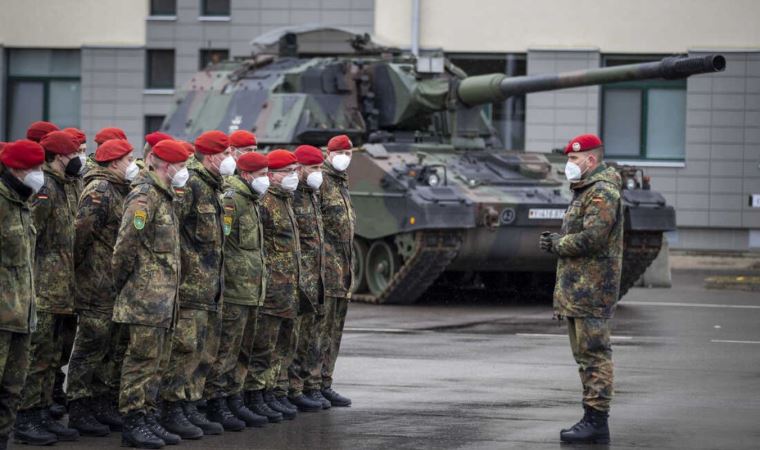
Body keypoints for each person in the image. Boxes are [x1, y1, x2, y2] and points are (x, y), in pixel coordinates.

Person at [539, 133, 623, 445]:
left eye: (573, 159)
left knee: (594, 354)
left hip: (593, 288)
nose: (568, 165)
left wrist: (557, 244)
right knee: (584, 356)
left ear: (590, 159)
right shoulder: (585, 190)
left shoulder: (602, 192)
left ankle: (597, 421)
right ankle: (590, 417)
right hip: (580, 289)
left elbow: (594, 237)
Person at [112, 139, 190, 448]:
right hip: (144, 298)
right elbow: (124, 248)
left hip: (163, 299)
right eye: (182, 166)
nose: (185, 171)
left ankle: (146, 416)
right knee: (141, 361)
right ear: (168, 166)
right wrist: (125, 287)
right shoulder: (144, 197)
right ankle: (133, 420)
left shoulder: (164, 195)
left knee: (157, 362)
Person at [160, 130, 235, 436]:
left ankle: (191, 405)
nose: (230, 159)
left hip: (210, 287)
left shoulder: (214, 187)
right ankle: (172, 408)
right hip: (190, 287)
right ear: (211, 156)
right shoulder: (190, 184)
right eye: (226, 153)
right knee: (184, 350)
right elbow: (172, 231)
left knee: (204, 351)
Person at [66, 139, 139, 437]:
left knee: (109, 347)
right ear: (113, 163)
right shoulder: (100, 190)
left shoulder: (121, 188)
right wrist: (87, 272)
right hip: (96, 284)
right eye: (128, 159)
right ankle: (79, 405)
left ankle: (99, 402)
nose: (133, 163)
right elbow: (80, 235)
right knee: (90, 347)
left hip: (113, 284)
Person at [16, 131, 84, 444]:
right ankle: (27, 416)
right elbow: (31, 236)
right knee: (38, 357)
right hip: (44, 286)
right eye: (72, 155)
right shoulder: (44, 188)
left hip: (63, 287)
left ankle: (42, 412)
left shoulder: (67, 186)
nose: (77, 160)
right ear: (57, 157)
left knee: (54, 355)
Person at [203, 151, 269, 428]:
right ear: (247, 175)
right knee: (226, 349)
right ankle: (216, 401)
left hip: (251, 288)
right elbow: (222, 243)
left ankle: (234, 398)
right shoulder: (233, 200)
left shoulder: (251, 200)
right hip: (234, 288)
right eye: (261, 173)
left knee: (244, 349)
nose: (266, 179)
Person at [245, 150, 301, 421]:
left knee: (281, 345)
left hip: (287, 288)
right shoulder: (266, 202)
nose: (294, 176)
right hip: (271, 288)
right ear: (272, 175)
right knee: (263, 346)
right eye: (287, 171)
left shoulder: (284, 200)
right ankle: (256, 395)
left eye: (295, 170)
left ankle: (270, 393)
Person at [0, 140, 49, 448]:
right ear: (18, 169)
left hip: (22, 313)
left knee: (12, 387)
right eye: (36, 168)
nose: (40, 174)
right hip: (3, 315)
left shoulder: (22, 203)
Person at [282, 145, 328, 412]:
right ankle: (289, 389)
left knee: (309, 334)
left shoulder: (311, 194)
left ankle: (301, 386)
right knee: (292, 336)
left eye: (321, 168)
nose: (318, 174)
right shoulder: (291, 196)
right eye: (314, 168)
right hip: (295, 276)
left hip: (314, 274)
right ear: (299, 168)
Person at [316, 134, 356, 407]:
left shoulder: (341, 183)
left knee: (334, 331)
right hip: (325, 269)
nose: (345, 156)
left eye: (349, 151)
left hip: (342, 270)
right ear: (328, 153)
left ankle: (324, 382)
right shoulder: (321, 182)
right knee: (319, 331)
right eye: (340, 151)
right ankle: (310, 384)